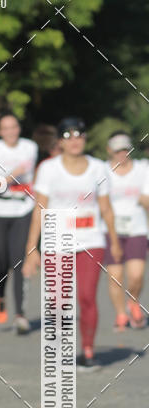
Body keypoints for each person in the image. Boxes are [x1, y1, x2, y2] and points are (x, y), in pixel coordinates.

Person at [23, 117, 122, 371]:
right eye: (68, 135)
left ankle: (88, 351)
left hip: (91, 239)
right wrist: (32, 248)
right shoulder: (48, 168)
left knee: (87, 297)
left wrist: (114, 241)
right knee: (58, 302)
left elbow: (106, 208)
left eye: (79, 134)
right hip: (57, 241)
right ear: (60, 142)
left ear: (85, 139)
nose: (75, 140)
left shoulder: (99, 168)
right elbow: (40, 209)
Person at [0, 113, 38, 333]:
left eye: (14, 126)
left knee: (19, 263)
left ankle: (20, 315)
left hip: (23, 209)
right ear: (0, 131)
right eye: (6, 128)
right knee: (2, 263)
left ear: (19, 128)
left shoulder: (30, 147)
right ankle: (1, 295)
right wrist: (10, 178)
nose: (11, 131)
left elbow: (34, 179)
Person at [103, 131, 149, 330]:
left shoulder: (143, 169)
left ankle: (133, 301)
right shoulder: (102, 171)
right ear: (109, 151)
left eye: (125, 150)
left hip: (137, 228)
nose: (121, 154)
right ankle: (121, 315)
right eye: (117, 150)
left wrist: (143, 199)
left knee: (137, 275)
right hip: (110, 230)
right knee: (115, 276)